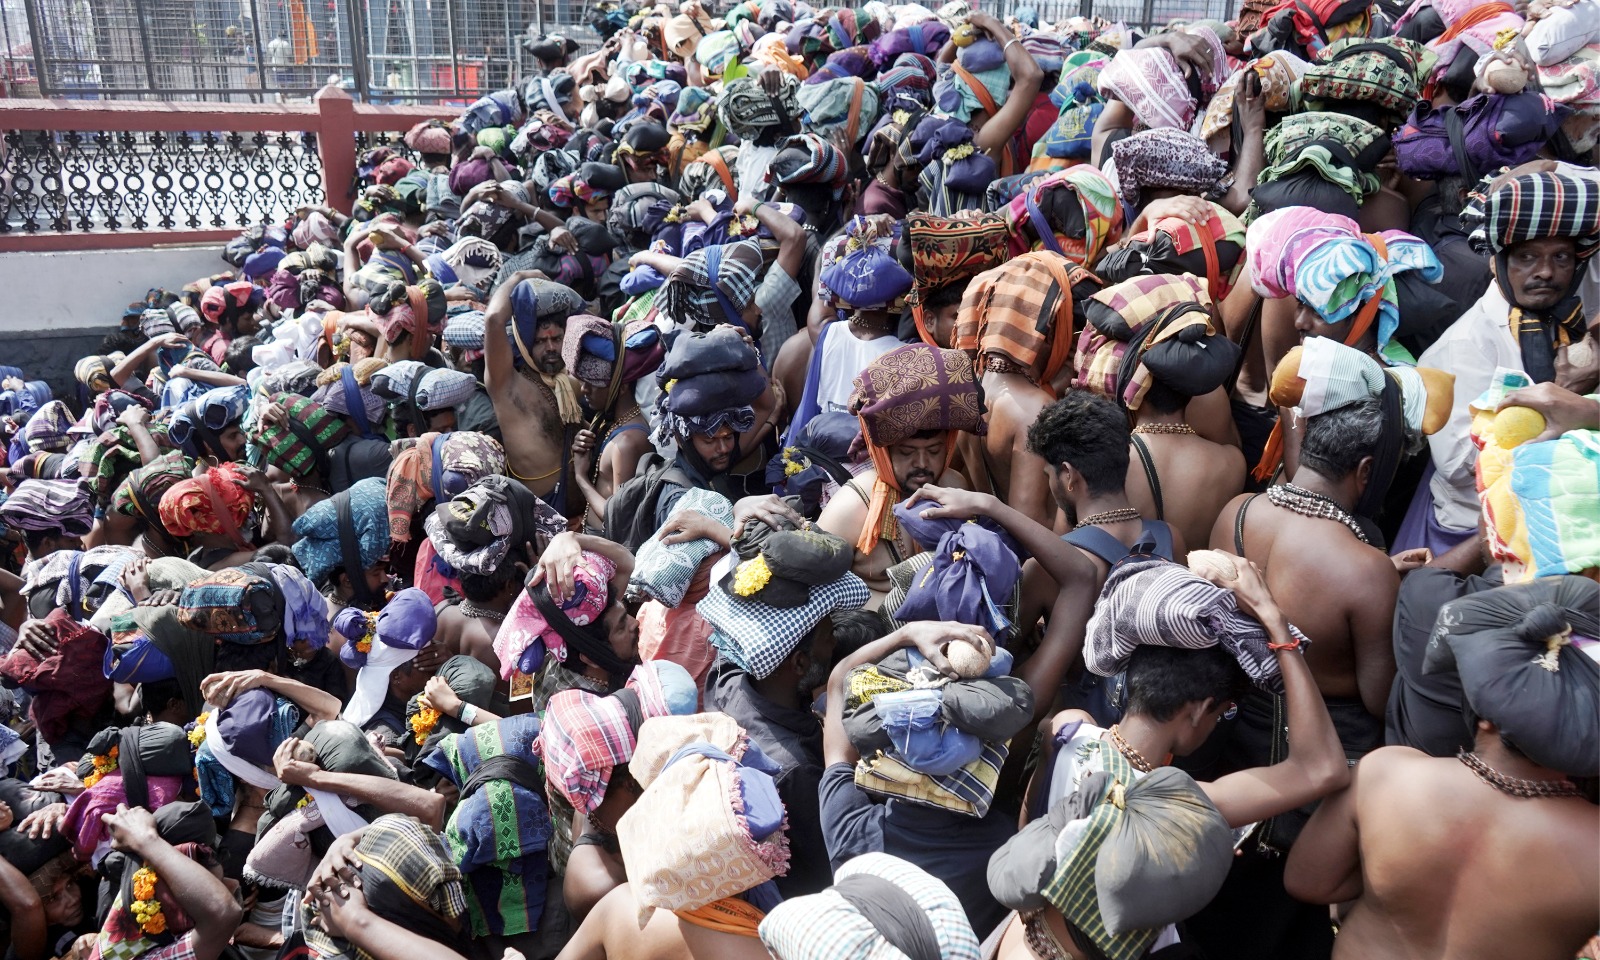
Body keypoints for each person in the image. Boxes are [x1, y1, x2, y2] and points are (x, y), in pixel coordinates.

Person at [1286, 577, 1599, 960]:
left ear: (1485, 712)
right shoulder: (1592, 846)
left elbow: (1309, 882)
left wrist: (1393, 887)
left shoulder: (1387, 775)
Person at [1412, 169, 1600, 553]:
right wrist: (1565, 396)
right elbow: (1460, 467)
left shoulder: (1569, 321)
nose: (1546, 272)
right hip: (1478, 534)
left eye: (1561, 257)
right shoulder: (1464, 347)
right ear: (1497, 263)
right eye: (1527, 257)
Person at [816, 343, 981, 602]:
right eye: (907, 452)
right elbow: (816, 593)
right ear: (883, 452)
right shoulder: (852, 506)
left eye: (935, 450)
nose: (922, 463)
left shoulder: (954, 486)